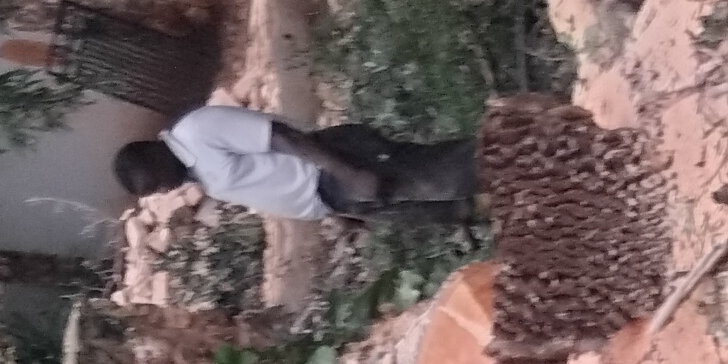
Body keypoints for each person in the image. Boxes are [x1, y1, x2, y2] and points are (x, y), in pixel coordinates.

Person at [112, 106, 479, 226]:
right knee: (442, 210)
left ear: (156, 152)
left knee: (447, 173)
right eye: (157, 192)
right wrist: (342, 213)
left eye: (158, 183)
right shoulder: (198, 173)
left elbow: (283, 137)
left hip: (340, 167)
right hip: (336, 197)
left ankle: (524, 151)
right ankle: (519, 204)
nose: (167, 190)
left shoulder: (198, 131)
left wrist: (349, 174)